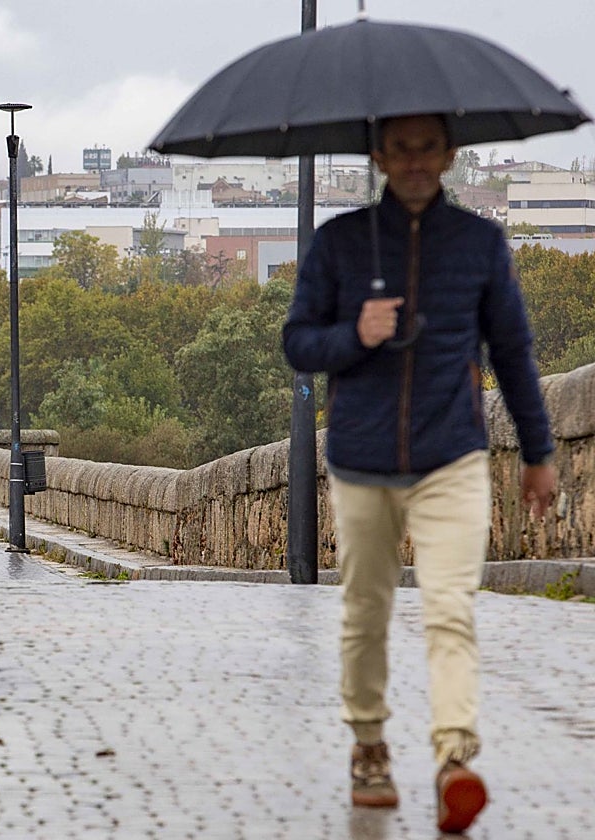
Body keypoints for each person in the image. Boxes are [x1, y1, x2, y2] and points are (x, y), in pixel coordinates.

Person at [282, 113, 557, 835]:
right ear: (379, 155)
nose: (412, 161)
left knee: (450, 609)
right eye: (399, 148)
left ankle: (454, 759)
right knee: (366, 611)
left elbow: (514, 353)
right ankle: (369, 745)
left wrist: (539, 455)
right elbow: (298, 344)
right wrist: (357, 334)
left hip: (452, 454)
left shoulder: (478, 244)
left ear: (448, 155)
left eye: (425, 147)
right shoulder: (339, 242)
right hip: (361, 457)